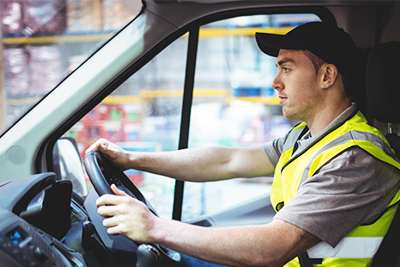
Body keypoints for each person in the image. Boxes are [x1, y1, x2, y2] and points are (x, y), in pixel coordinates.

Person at [87, 22, 400, 267]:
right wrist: (132, 159)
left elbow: (272, 248)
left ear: (327, 76)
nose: (276, 82)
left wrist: (155, 227)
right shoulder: (308, 137)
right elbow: (228, 160)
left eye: (287, 68)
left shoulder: (355, 157)